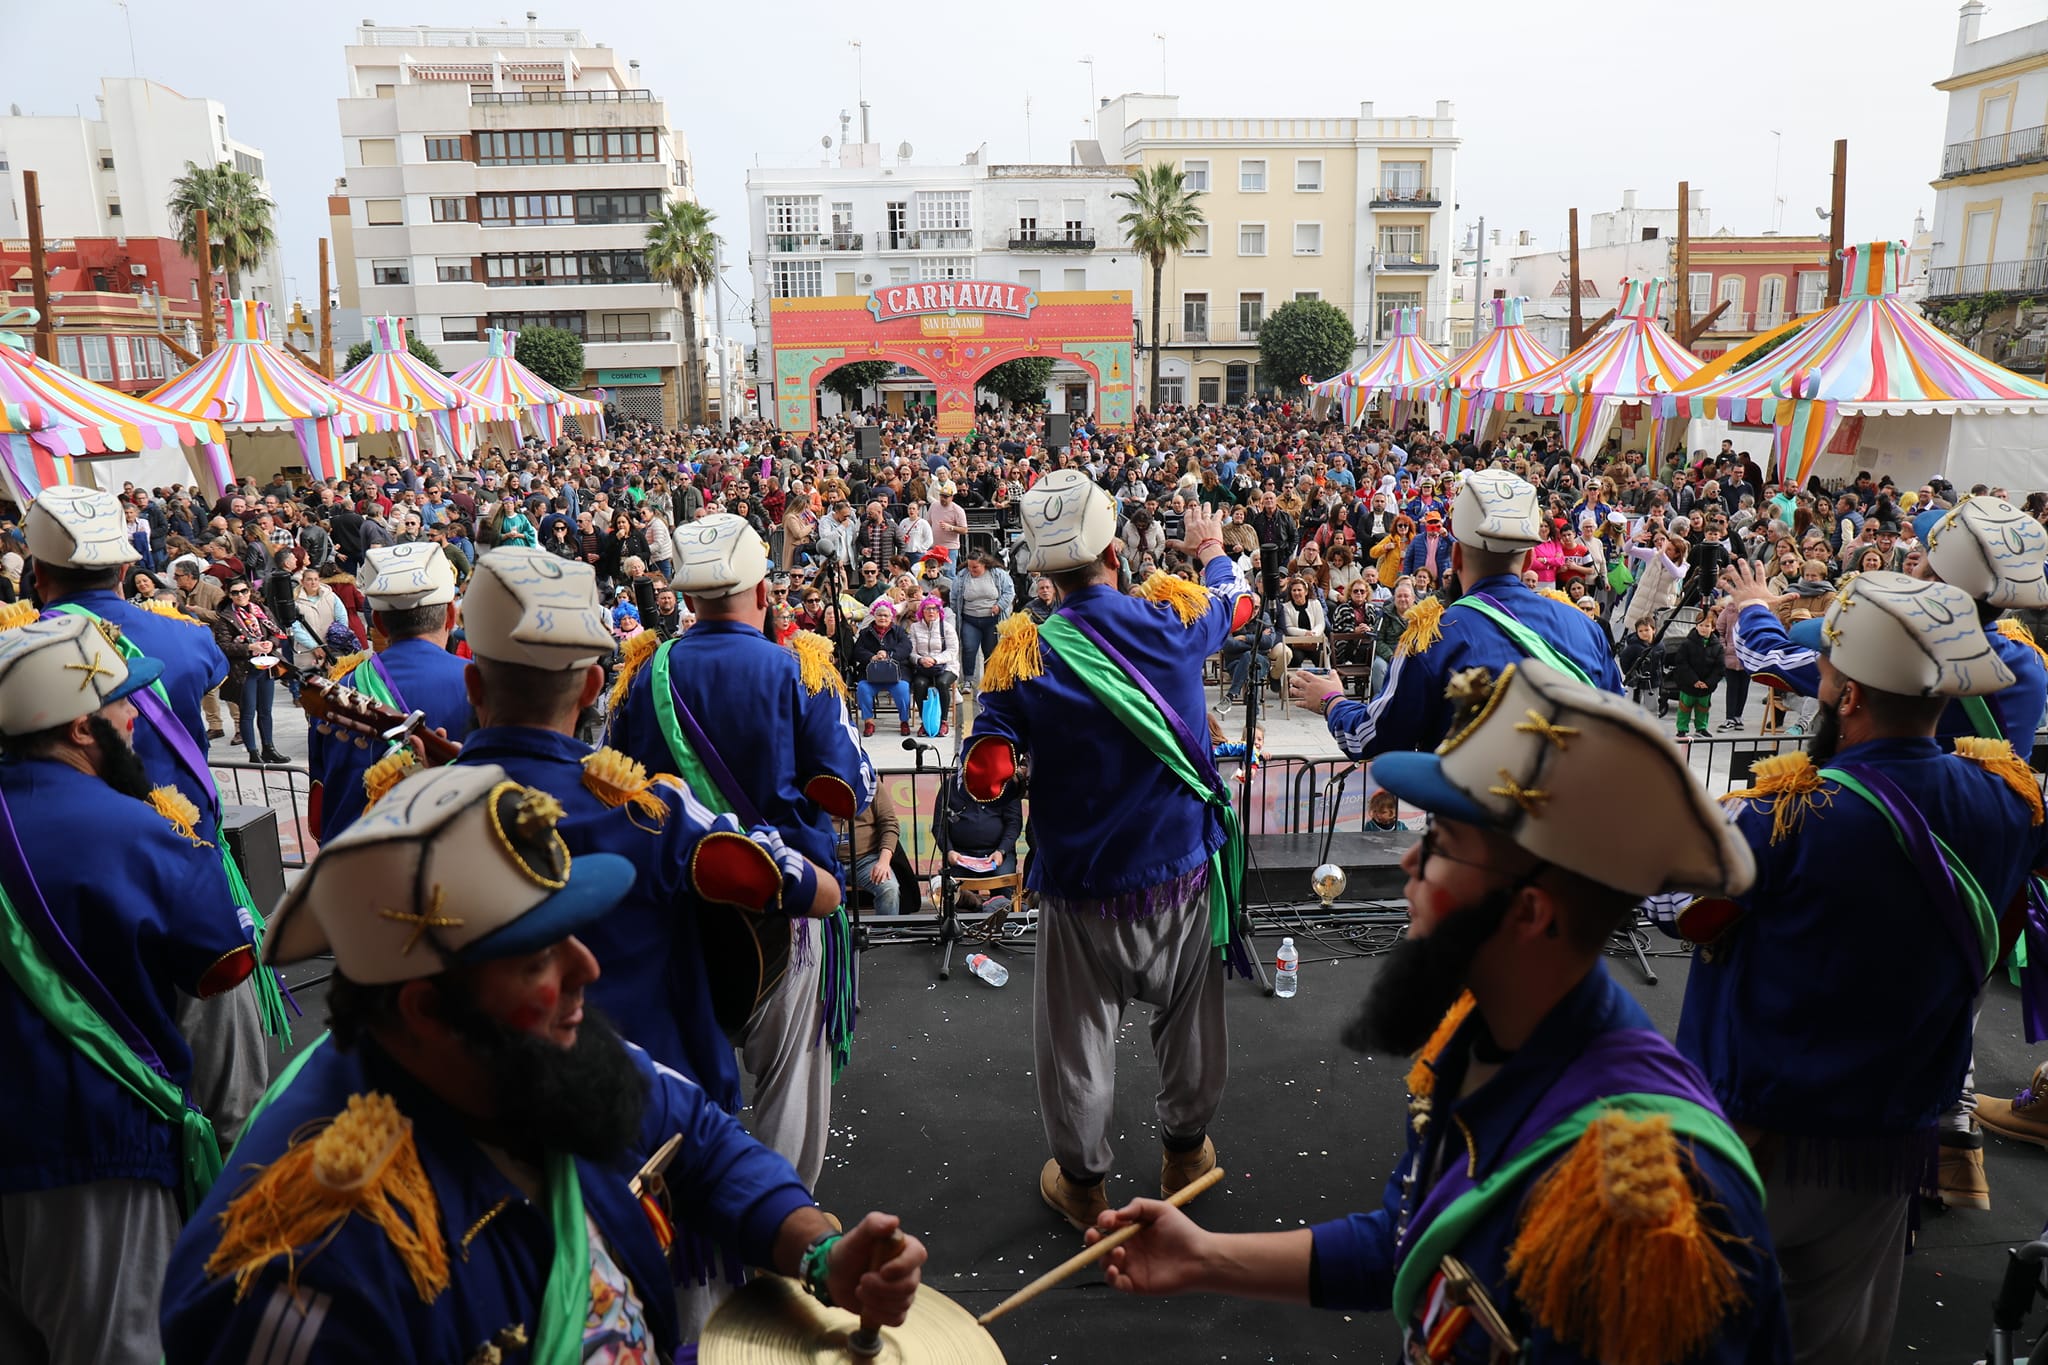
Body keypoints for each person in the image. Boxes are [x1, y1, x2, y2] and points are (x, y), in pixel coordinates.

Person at [1087, 660, 1791, 1363]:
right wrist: (1206, 1257)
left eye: (1442, 845)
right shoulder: (1487, 1036)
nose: (1407, 863)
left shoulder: (1642, 1207)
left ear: (1529, 910)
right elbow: (1414, 1236)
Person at [158, 763, 926, 1362]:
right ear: (426, 1006)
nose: (587, 967)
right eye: (538, 956)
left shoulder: (515, 1053)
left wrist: (819, 1248)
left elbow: (698, 1136)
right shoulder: (306, 1266)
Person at [1672, 571, 2044, 1364]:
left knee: (1699, 1324)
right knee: (1840, 1339)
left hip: (1760, 1123)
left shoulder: (1784, 816)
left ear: (1845, 696)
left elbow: (1680, 909)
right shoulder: (2009, 800)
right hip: (1891, 1135)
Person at [966, 471, 1255, 1228]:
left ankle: (1084, 1184)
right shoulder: (1174, 619)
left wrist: (1000, 757)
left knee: (1077, 1043)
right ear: (1116, 556)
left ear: (1042, 573)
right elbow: (1237, 601)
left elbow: (987, 759)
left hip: (1080, 885)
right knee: (1192, 1023)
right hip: (1181, 876)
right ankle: (1186, 1152)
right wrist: (1215, 549)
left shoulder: (1024, 654)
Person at [0, 614, 257, 1365]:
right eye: (121, 706)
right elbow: (223, 969)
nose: (136, 719)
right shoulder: (139, 832)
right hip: (98, 1156)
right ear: (82, 729)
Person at [607, 513, 875, 1190]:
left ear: (688, 599)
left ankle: (700, 1217)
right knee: (790, 1090)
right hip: (786, 906)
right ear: (763, 593)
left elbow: (616, 783)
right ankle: (781, 1235)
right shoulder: (798, 671)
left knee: (690, 1070)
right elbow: (857, 784)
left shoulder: (646, 676)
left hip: (678, 905)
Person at [1291, 471, 1623, 760]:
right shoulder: (1584, 626)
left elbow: (1376, 737)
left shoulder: (1432, 635)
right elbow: (1617, 730)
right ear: (1527, 562)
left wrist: (1331, 702)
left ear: (1457, 557)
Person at [308, 543, 474, 842]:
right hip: (456, 863)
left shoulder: (336, 691)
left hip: (358, 864)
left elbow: (323, 798)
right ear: (451, 615)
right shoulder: (483, 686)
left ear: (380, 624)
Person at [211, 578, 288, 765]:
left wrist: (272, 643)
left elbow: (276, 631)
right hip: (244, 671)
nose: (240, 596)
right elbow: (223, 646)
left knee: (266, 711)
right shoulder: (225, 617)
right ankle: (253, 753)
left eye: (244, 591)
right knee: (247, 713)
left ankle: (269, 748)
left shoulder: (261, 610)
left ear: (249, 591)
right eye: (235, 592)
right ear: (229, 595)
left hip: (266, 665)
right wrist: (249, 647)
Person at [854, 599, 915, 737]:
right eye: (880, 615)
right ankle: (869, 722)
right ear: (874, 617)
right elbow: (857, 651)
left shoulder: (898, 631)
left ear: (891, 617)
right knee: (863, 689)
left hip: (896, 673)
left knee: (902, 689)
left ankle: (904, 721)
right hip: (871, 674)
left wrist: (889, 655)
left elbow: (906, 648)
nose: (882, 618)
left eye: (886, 615)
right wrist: (872, 657)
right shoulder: (865, 633)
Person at [1671, 602, 1725, 738]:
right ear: (1696, 626)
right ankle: (1682, 728)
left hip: (1706, 685)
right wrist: (1694, 680)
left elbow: (1719, 667)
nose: (1703, 628)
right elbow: (1681, 663)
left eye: (1707, 626)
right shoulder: (1687, 644)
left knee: (1703, 708)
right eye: (1700, 625)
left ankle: (1701, 727)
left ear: (1713, 628)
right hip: (1689, 683)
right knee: (1684, 707)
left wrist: (1709, 682)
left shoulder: (1717, 647)